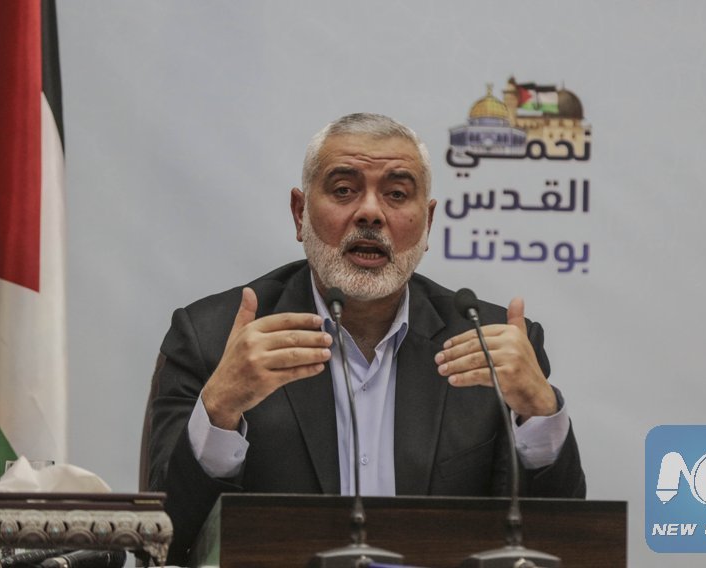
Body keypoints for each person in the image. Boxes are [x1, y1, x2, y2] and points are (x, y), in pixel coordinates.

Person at [146, 113, 585, 564]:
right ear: (300, 214)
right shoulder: (212, 338)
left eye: (397, 194)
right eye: (343, 190)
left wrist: (539, 413)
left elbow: (562, 546)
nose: (371, 212)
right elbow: (162, 545)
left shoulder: (491, 343)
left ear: (428, 222)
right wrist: (219, 409)